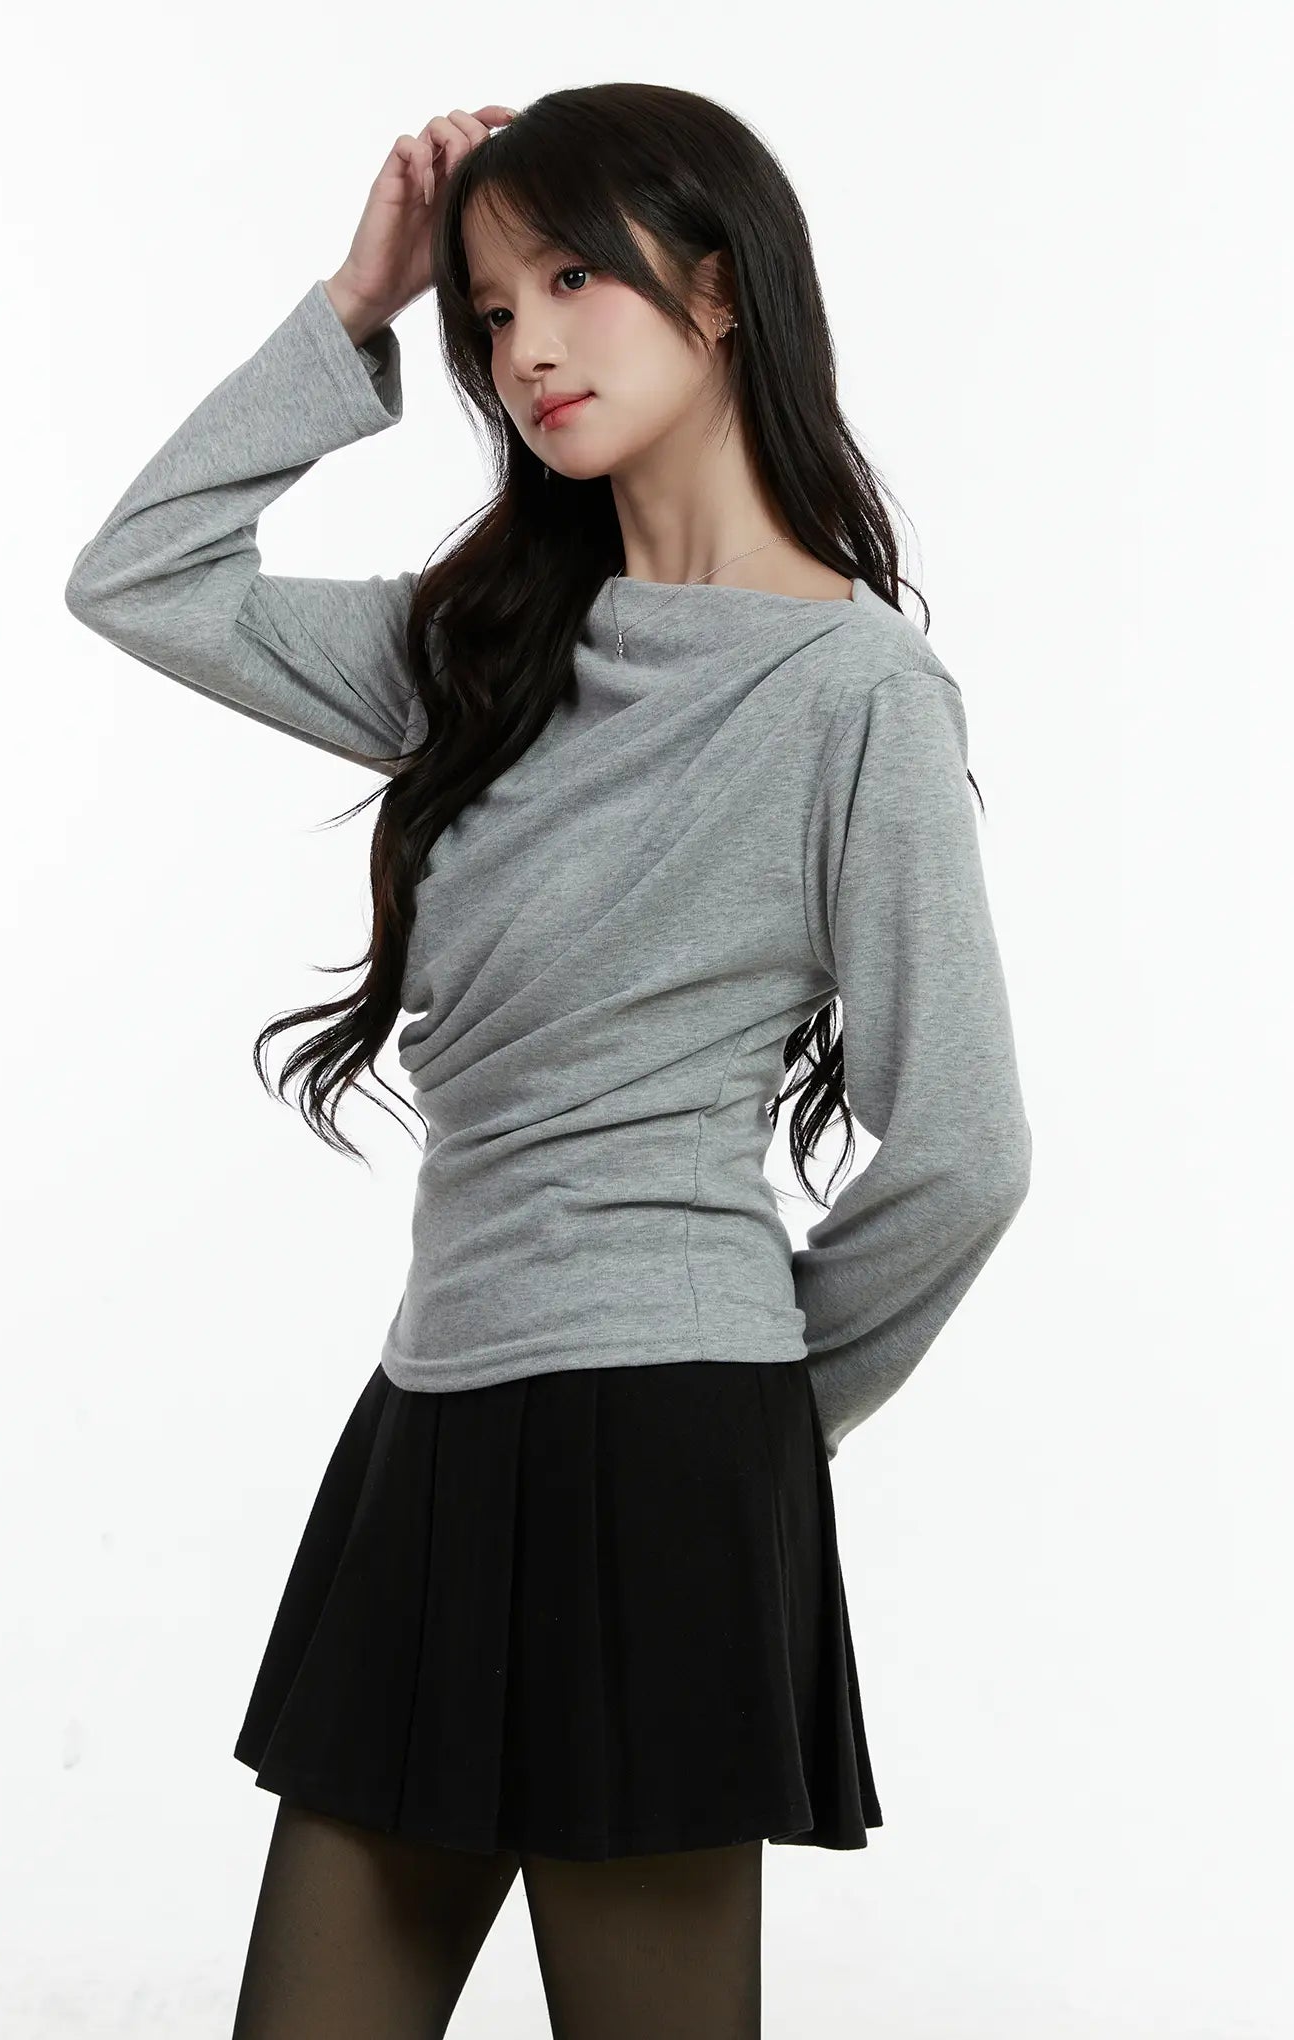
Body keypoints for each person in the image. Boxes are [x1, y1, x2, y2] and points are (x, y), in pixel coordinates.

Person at [64, 83, 1031, 2040]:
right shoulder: (486, 655)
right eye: (491, 310)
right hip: (436, 1415)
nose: (522, 348)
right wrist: (355, 309)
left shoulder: (856, 695)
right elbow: (141, 579)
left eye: (575, 280)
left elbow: (965, 1144)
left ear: (722, 290)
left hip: (664, 1445)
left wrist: (752, 1413)